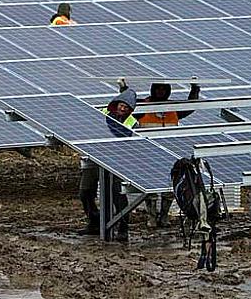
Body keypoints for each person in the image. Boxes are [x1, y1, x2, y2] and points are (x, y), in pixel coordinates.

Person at [134, 81, 201, 227]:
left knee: (169, 187)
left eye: (164, 89)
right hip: (149, 154)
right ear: (153, 89)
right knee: (150, 187)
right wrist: (124, 89)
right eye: (158, 88)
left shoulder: (173, 108)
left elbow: (190, 106)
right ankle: (151, 217)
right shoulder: (142, 107)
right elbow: (127, 104)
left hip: (170, 154)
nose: (160, 91)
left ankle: (164, 216)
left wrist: (195, 90)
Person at [77, 88, 138, 242]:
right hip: (94, 157)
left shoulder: (133, 123)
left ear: (130, 110)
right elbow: (86, 129)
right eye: (121, 105)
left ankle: (123, 228)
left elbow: (133, 146)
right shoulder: (100, 113)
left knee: (118, 196)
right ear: (115, 104)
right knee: (85, 192)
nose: (122, 109)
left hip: (116, 162)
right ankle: (95, 222)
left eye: (127, 108)